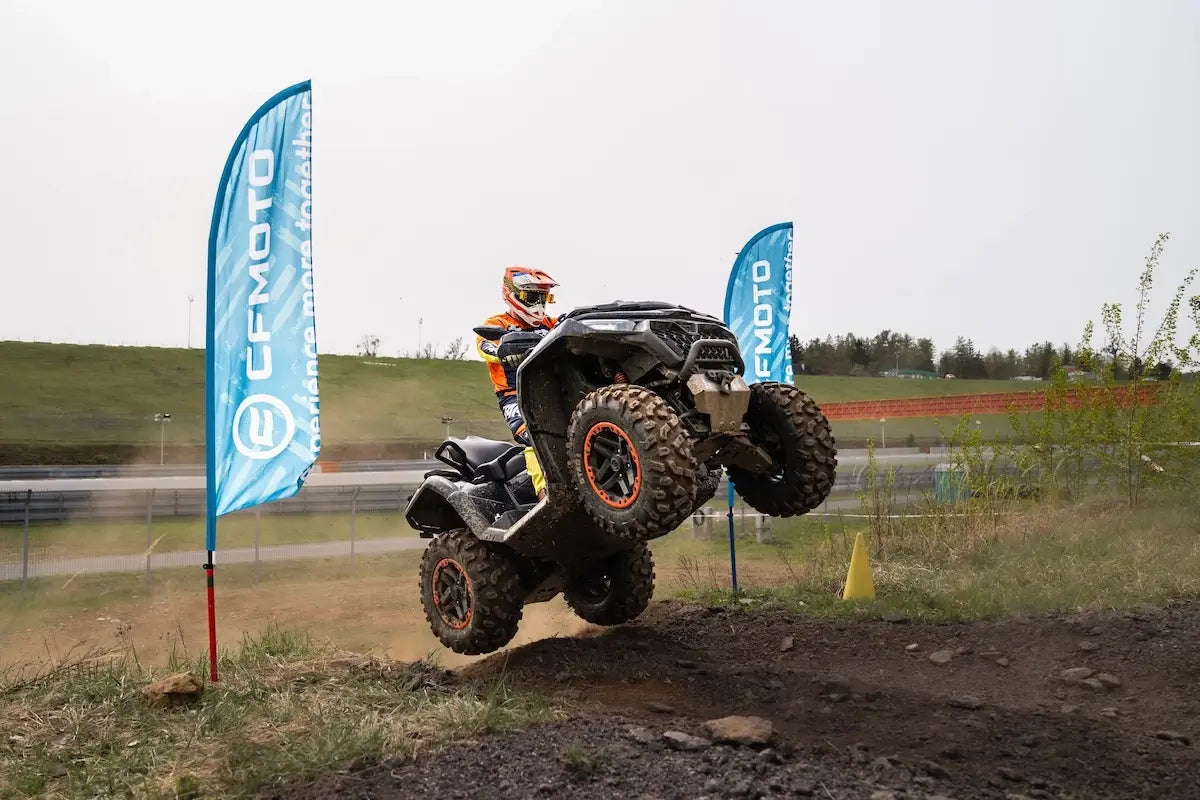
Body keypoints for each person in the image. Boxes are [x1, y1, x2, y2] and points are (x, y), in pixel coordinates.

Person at [475, 265, 560, 500]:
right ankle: (547, 494)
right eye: (531, 297)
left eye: (543, 298)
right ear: (510, 294)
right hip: (515, 395)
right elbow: (485, 346)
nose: (537, 305)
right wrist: (503, 350)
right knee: (532, 433)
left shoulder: (551, 324)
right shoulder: (497, 324)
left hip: (553, 391)